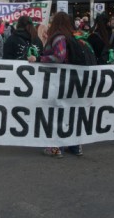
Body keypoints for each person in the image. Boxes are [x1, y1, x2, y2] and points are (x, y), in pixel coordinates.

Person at [27, 12, 83, 158]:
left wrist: (39, 58)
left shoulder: (59, 37)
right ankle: (75, 146)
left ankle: (56, 147)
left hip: (59, 81)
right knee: (68, 112)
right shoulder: (71, 37)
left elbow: (59, 56)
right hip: (71, 80)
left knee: (56, 113)